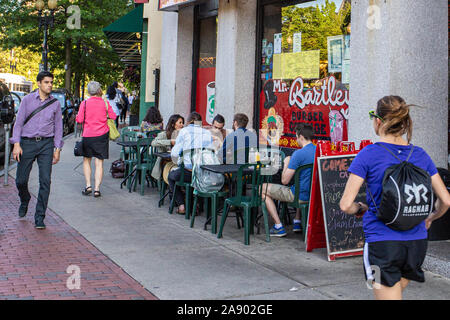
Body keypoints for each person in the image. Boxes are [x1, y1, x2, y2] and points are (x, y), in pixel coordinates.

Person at [340, 95, 450, 300]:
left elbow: (346, 204)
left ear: (378, 121)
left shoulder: (368, 154)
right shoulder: (421, 155)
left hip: (382, 244)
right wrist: (431, 218)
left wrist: (360, 208)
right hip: (416, 244)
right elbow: (446, 200)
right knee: (395, 291)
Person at [10, 71, 63, 229]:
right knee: (20, 180)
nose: (50, 85)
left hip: (46, 144)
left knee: (45, 181)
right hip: (27, 143)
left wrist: (57, 148)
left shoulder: (55, 104)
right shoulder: (27, 100)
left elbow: (59, 128)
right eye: (46, 82)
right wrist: (16, 143)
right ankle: (25, 199)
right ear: (39, 83)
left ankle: (40, 217)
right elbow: (18, 123)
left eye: (51, 82)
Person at [261, 123, 316, 237]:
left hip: (299, 196)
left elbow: (284, 181)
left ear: (301, 137)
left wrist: (286, 163)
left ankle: (278, 226)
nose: (296, 140)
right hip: (313, 195)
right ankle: (297, 221)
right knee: (301, 183)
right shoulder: (318, 151)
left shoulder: (298, 154)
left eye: (296, 137)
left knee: (263, 188)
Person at [75, 81, 117, 198]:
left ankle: (88, 186)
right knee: (99, 163)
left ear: (88, 91)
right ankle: (97, 189)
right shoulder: (105, 103)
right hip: (101, 136)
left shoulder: (85, 103)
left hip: (88, 135)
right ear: (99, 90)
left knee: (86, 160)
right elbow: (113, 116)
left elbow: (79, 119)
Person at [169, 112, 213, 214]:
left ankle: (181, 206)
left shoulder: (184, 132)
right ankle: (197, 204)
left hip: (187, 173)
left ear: (188, 122)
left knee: (171, 177)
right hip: (202, 174)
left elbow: (175, 153)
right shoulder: (206, 133)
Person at [150, 114, 185, 182]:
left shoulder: (182, 135)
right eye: (180, 122)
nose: (182, 125)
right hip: (166, 160)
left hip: (178, 160)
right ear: (173, 124)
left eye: (183, 123)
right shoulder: (164, 134)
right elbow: (153, 143)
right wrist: (169, 142)